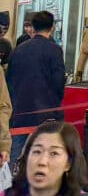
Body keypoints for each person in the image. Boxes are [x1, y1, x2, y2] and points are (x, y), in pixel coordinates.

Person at [7, 10, 66, 166]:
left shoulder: (18, 49)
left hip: (19, 111)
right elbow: (59, 82)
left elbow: (9, 81)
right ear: (51, 27)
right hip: (46, 111)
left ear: (33, 26)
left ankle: (9, 187)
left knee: (16, 152)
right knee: (42, 154)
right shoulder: (54, 50)